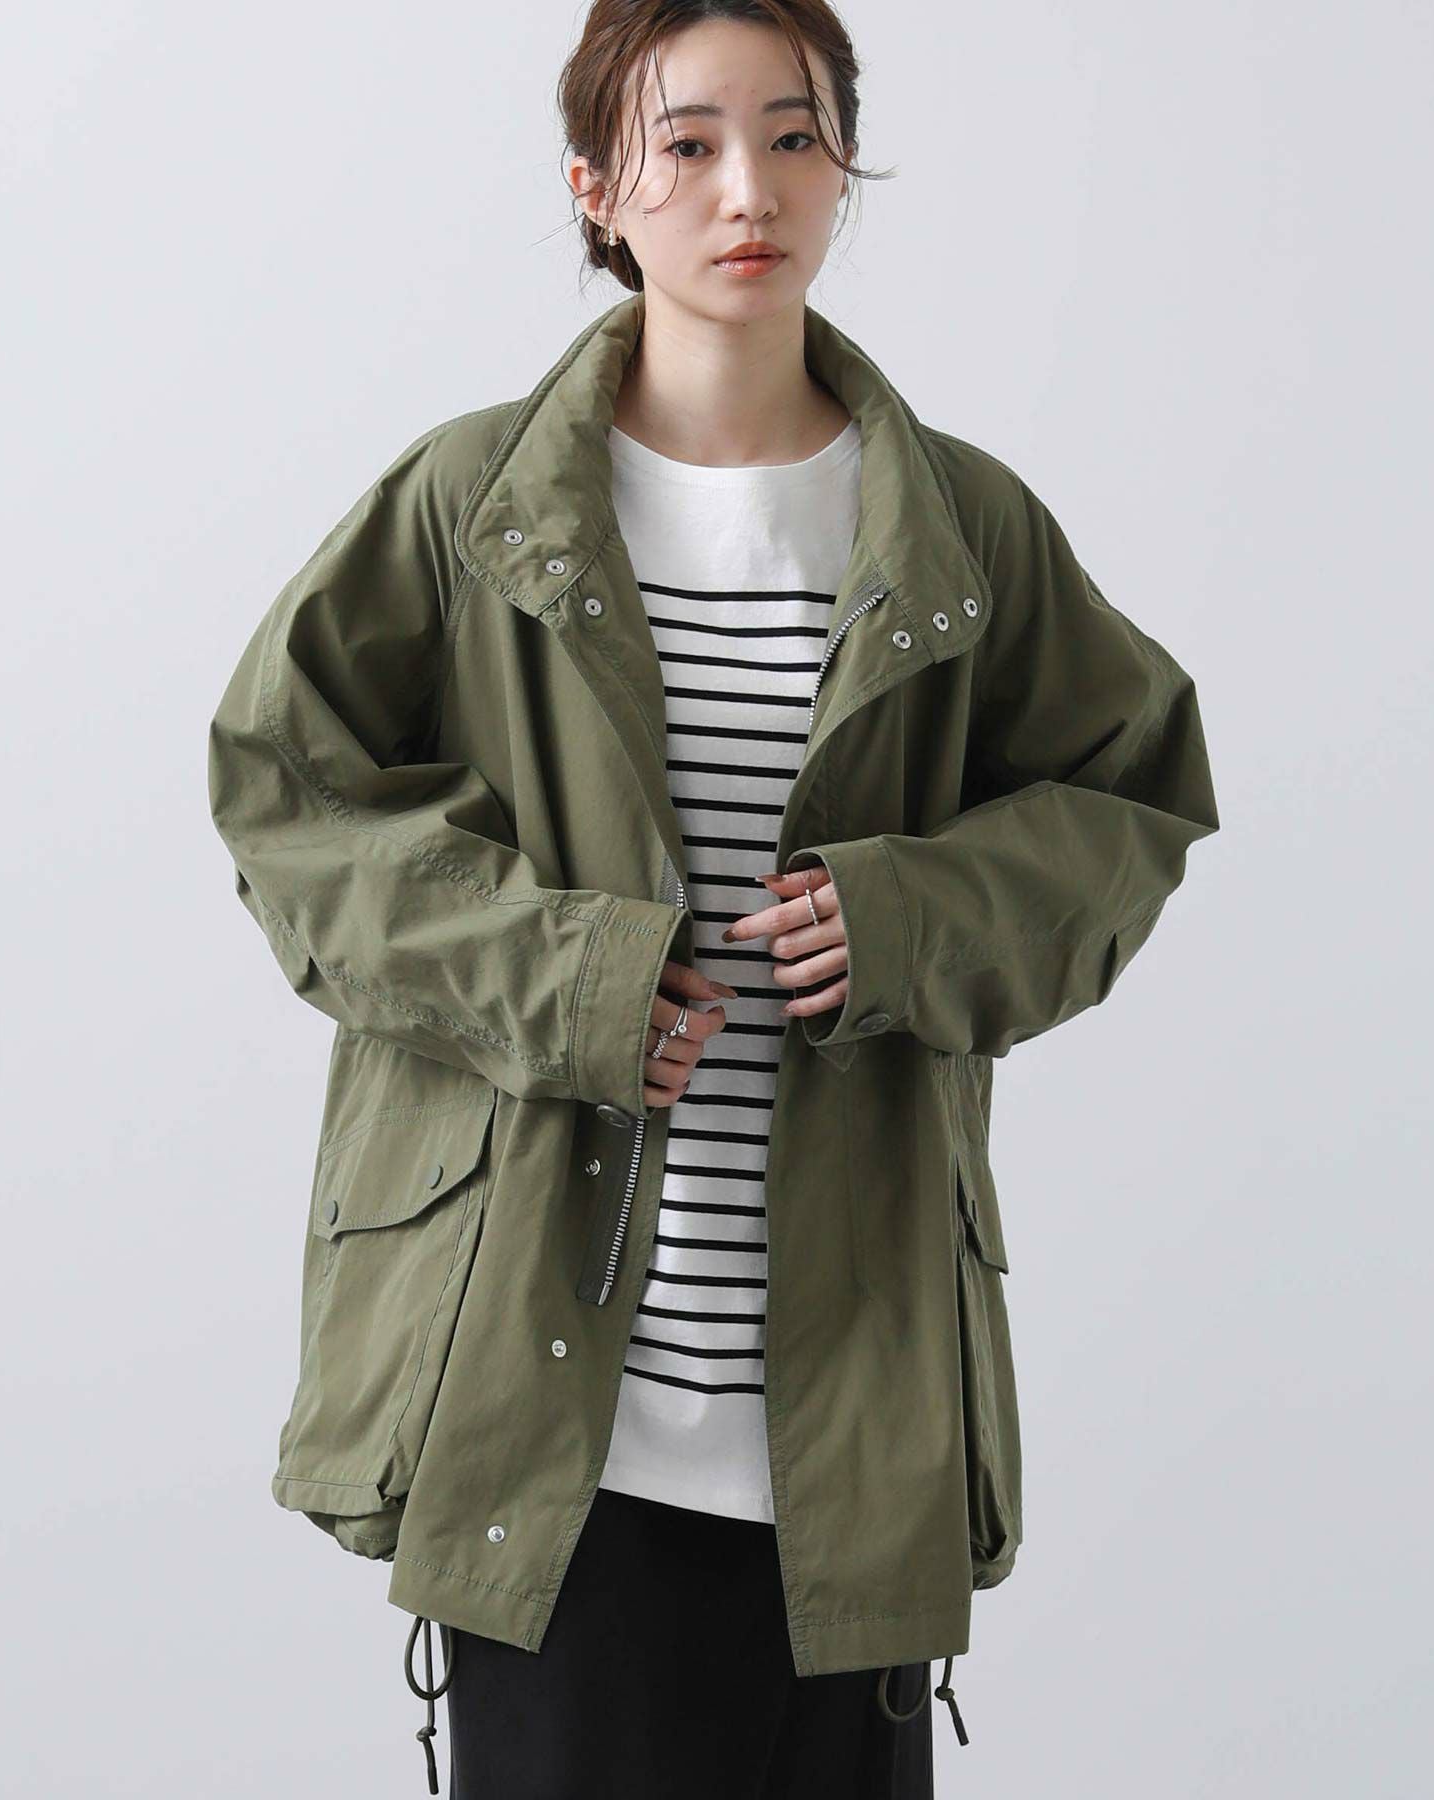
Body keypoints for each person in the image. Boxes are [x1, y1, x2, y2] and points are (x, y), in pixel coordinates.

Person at [206, 3, 1219, 1796]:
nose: (748, 188)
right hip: (549, 1433)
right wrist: (575, 973)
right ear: (597, 188)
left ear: (843, 167)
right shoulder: (472, 507)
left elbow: (1133, 799)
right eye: (686, 143)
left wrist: (912, 918)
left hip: (859, 1439)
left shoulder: (957, 529)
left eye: (796, 135)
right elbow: (286, 797)